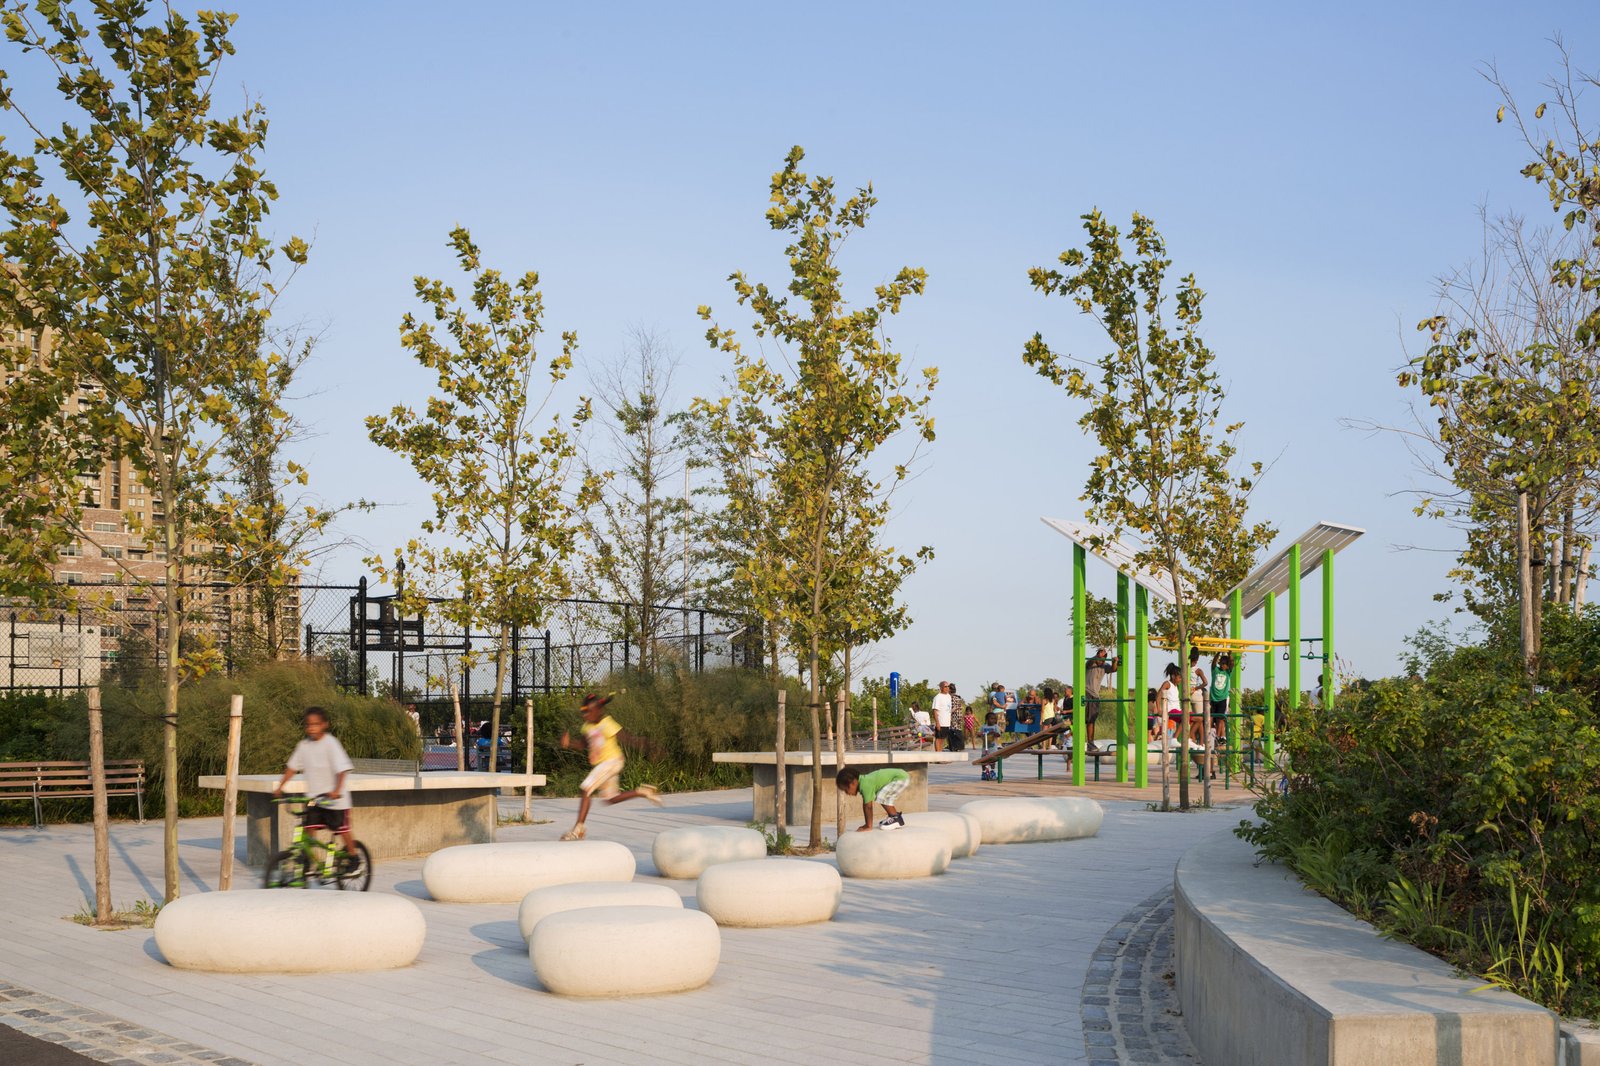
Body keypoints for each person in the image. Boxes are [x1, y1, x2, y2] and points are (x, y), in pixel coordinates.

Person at [557, 693, 661, 841]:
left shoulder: (607, 723)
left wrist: (647, 745)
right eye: (583, 712)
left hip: (612, 761)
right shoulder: (586, 727)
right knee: (610, 799)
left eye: (589, 711)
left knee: (586, 788)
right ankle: (643, 792)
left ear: (599, 710)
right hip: (603, 765)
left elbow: (628, 739)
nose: (585, 715)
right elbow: (582, 745)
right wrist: (568, 743)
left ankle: (578, 829)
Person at [272, 706, 358, 862]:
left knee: (342, 828)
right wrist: (280, 787)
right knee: (309, 828)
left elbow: (342, 770)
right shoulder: (303, 746)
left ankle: (354, 857)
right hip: (314, 799)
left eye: (316, 724)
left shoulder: (331, 744)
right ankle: (309, 863)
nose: (312, 728)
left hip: (335, 800)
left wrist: (337, 790)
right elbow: (292, 768)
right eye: (308, 725)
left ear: (325, 724)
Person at [836, 765, 908, 831]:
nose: (847, 793)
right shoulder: (864, 781)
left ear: (853, 782)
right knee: (882, 796)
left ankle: (895, 818)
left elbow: (868, 806)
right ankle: (894, 816)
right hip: (900, 776)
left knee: (881, 796)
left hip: (900, 778)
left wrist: (868, 826)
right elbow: (866, 804)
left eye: (846, 789)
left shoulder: (865, 785)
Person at [1085, 646, 1118, 754]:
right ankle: (1082, 741)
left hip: (1096, 695)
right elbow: (1089, 662)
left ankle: (1090, 743)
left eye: (1103, 657)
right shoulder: (1091, 664)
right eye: (1099, 656)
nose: (1100, 660)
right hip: (1087, 692)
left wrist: (1115, 662)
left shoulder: (1105, 665)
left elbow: (1114, 669)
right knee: (1085, 719)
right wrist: (1097, 655)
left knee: (1092, 720)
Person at [930, 681, 953, 752]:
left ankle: (940, 755)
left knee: (943, 739)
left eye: (948, 686)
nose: (947, 688)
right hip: (940, 722)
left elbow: (948, 709)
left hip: (946, 722)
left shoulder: (949, 696)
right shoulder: (938, 697)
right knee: (939, 739)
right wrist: (937, 723)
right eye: (945, 686)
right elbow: (934, 711)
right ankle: (938, 757)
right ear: (941, 687)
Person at [951, 683, 973, 748]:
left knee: (954, 731)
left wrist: (949, 713)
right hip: (959, 716)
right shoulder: (958, 697)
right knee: (958, 731)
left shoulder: (952, 698)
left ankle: (957, 746)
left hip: (954, 716)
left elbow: (953, 708)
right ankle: (960, 746)